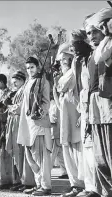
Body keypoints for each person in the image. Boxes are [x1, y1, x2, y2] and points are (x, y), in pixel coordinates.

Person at [84, 10, 112, 197]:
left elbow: (104, 56)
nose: (92, 36)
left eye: (95, 30)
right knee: (99, 153)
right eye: (88, 33)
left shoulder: (109, 44)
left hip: (108, 103)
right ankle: (105, 191)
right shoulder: (91, 55)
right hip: (94, 105)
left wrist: (109, 34)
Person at [53, 43, 85, 197]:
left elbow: (74, 90)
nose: (62, 62)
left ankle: (85, 185)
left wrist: (81, 114)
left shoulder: (75, 72)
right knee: (68, 150)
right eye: (61, 59)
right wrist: (55, 86)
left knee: (79, 150)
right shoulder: (62, 76)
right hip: (65, 119)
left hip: (77, 117)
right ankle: (75, 185)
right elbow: (59, 103)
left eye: (65, 58)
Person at [17, 57, 52, 196]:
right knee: (30, 156)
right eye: (27, 68)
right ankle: (38, 184)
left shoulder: (43, 81)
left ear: (37, 67)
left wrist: (39, 113)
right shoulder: (27, 83)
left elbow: (46, 102)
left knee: (40, 156)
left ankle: (46, 186)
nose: (30, 70)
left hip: (39, 123)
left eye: (32, 67)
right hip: (27, 123)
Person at [70, 29, 98, 197]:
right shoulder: (78, 61)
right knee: (86, 147)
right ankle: (89, 186)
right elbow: (77, 87)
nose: (74, 49)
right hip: (84, 107)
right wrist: (80, 109)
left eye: (77, 44)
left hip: (94, 106)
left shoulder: (93, 57)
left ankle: (96, 187)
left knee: (94, 148)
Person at [5, 71, 36, 192]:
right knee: (16, 154)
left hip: (21, 124)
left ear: (22, 80)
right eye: (13, 81)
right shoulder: (16, 92)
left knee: (22, 153)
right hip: (14, 125)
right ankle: (20, 180)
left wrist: (9, 106)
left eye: (17, 80)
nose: (14, 83)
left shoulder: (24, 90)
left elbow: (20, 108)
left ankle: (28, 182)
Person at [49, 97, 68, 179]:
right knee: (60, 154)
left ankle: (46, 172)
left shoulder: (54, 104)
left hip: (54, 132)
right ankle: (65, 171)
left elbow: (53, 119)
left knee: (51, 154)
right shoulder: (56, 103)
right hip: (57, 132)